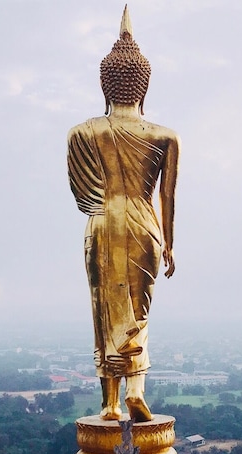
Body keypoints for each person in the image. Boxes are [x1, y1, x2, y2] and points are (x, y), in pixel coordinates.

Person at [67, 8, 179, 422]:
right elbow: (167, 197)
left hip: (100, 225)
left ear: (105, 84)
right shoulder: (164, 136)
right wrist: (169, 244)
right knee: (138, 313)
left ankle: (110, 402)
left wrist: (105, 210)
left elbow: (83, 193)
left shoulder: (82, 133)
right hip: (145, 227)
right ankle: (136, 389)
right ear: (143, 85)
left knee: (104, 312)